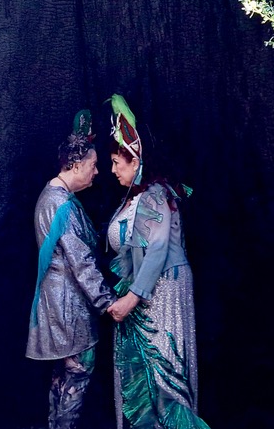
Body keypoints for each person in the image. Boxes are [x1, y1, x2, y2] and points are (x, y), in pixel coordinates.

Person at [106, 94, 209, 429]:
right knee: (141, 378)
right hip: (140, 295)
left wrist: (133, 297)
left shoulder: (157, 194)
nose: (112, 170)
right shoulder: (133, 198)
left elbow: (158, 247)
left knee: (164, 377)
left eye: (117, 163)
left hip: (161, 292)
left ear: (135, 162)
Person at [27, 111, 117, 429]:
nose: (96, 173)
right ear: (76, 165)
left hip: (61, 303)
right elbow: (80, 261)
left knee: (62, 381)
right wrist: (108, 303)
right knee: (76, 378)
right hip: (68, 308)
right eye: (93, 166)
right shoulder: (59, 202)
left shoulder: (59, 197)